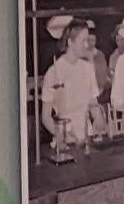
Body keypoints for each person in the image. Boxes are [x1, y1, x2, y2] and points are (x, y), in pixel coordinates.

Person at [36, 15, 100, 156]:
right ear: (70, 42)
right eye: (83, 41)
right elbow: (45, 117)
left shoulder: (88, 68)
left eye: (88, 40)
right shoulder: (54, 72)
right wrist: (62, 133)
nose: (87, 45)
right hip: (65, 143)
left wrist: (99, 120)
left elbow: (93, 103)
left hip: (88, 139)